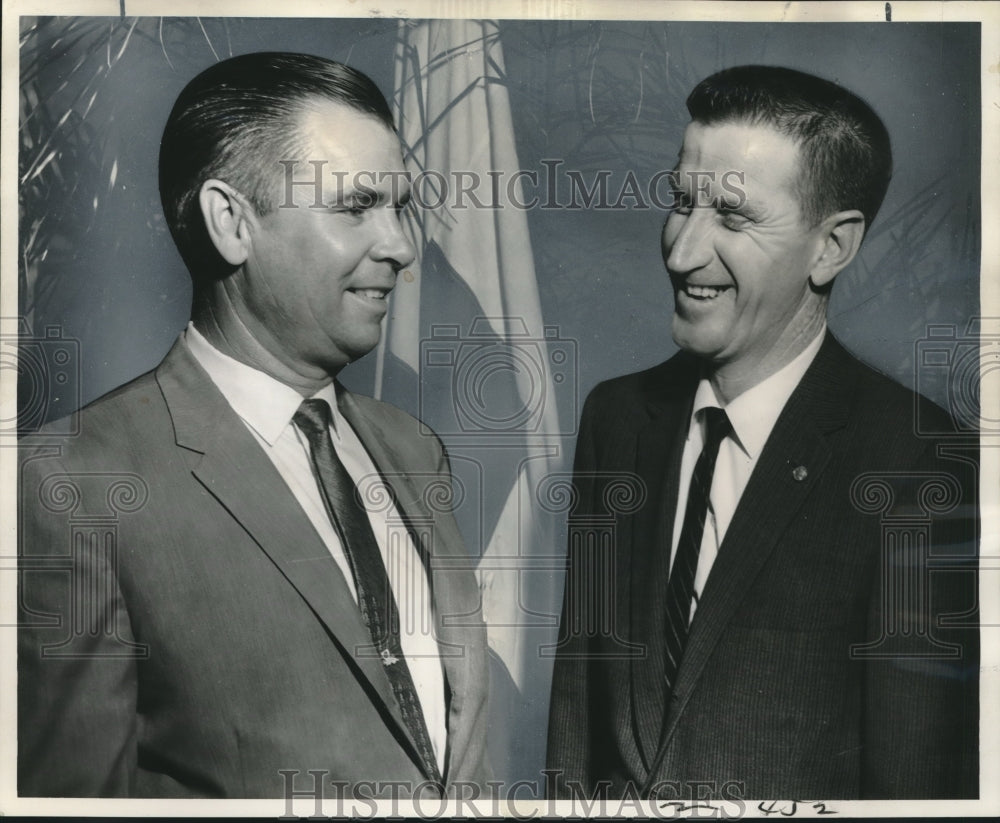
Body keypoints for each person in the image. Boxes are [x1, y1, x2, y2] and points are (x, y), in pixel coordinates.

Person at [18, 52, 490, 799]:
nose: (401, 246)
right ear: (232, 222)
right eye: (355, 205)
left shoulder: (414, 450)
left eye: (400, 207)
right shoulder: (72, 480)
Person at [546, 65, 978, 800]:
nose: (682, 252)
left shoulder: (913, 460)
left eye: (734, 217)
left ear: (831, 247)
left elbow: (917, 784)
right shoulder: (614, 419)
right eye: (682, 202)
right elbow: (574, 725)